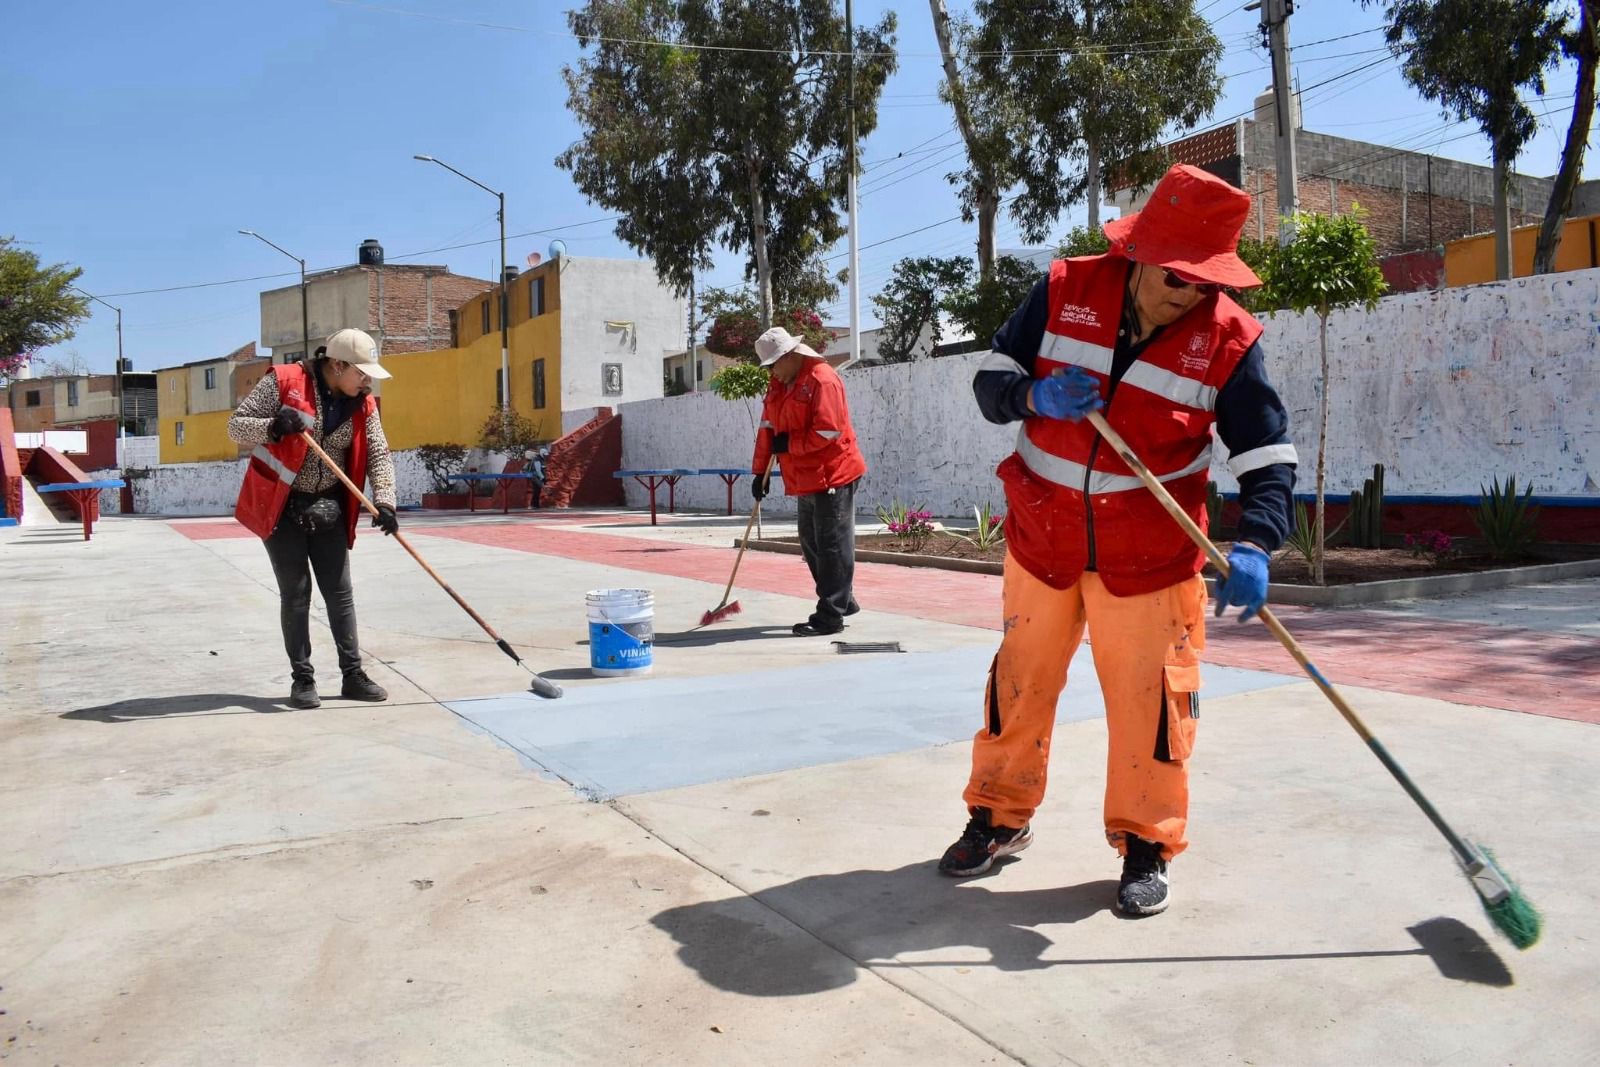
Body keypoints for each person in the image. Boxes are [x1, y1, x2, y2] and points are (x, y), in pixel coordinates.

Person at [939, 165, 1297, 917]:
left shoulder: (1229, 337)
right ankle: (999, 818)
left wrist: (1260, 543)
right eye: (1176, 277)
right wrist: (1032, 394)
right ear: (1138, 255)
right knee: (1019, 688)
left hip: (1152, 559)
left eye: (1206, 282)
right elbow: (990, 379)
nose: (1189, 294)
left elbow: (1266, 455)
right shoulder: (1066, 288)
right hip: (1043, 540)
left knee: (1152, 708)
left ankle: (1145, 843)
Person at [227, 328, 401, 710]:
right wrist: (273, 425)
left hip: (329, 508)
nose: (367, 379)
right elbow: (236, 426)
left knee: (340, 594)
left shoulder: (363, 403)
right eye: (361, 371)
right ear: (337, 366)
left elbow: (378, 453)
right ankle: (303, 679)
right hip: (281, 507)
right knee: (296, 593)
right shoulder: (285, 381)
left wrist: (385, 502)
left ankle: (353, 674)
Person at [749, 326, 868, 637]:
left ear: (790, 355)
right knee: (810, 541)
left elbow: (829, 432)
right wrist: (760, 473)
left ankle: (830, 616)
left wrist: (791, 445)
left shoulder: (822, 380)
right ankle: (843, 599)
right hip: (806, 476)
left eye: (774, 364)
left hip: (834, 473)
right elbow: (768, 431)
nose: (771, 371)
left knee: (832, 545)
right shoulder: (779, 384)